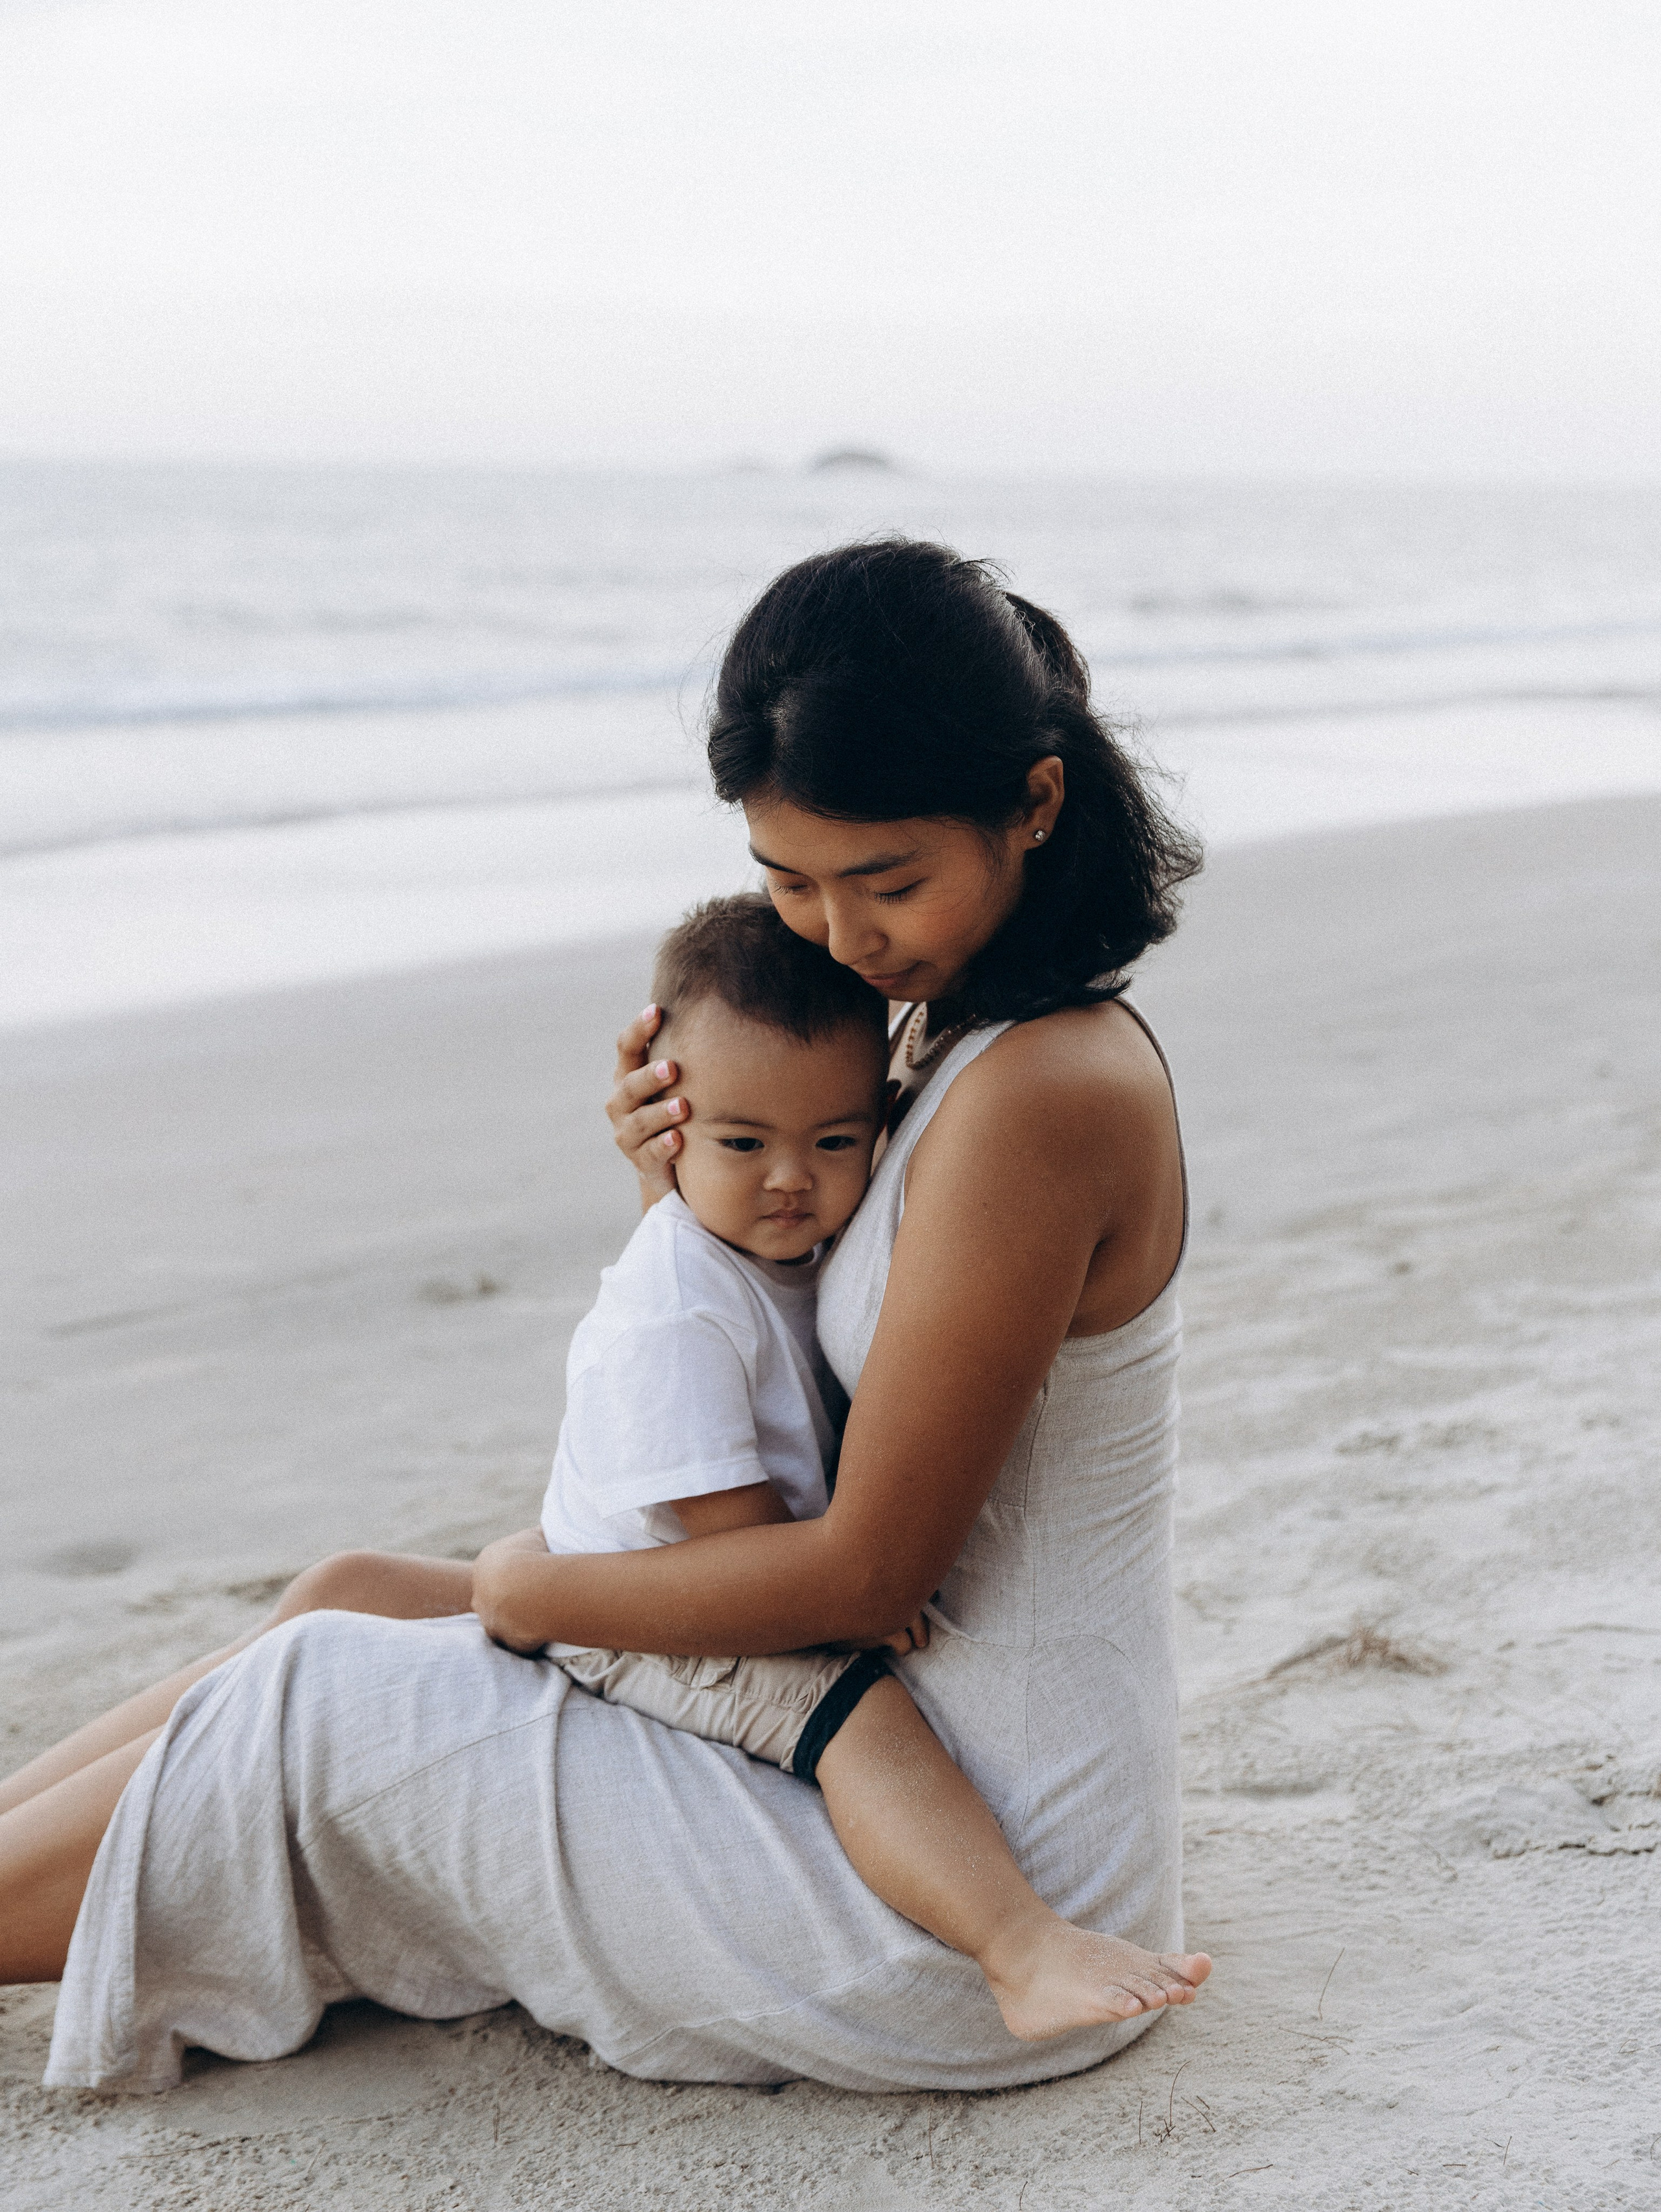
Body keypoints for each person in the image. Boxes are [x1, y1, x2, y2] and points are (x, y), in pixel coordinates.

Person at [1, 536, 1209, 2098]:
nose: (839, 937)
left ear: (1032, 804)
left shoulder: (1043, 1089)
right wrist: (686, 1206)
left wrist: (528, 1587)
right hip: (856, 1733)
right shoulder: (939, 1037)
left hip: (960, 1877)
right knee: (345, 1591)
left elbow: (868, 1571)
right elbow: (824, 1383)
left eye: (884, 881)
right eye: (788, 881)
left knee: (311, 1705)